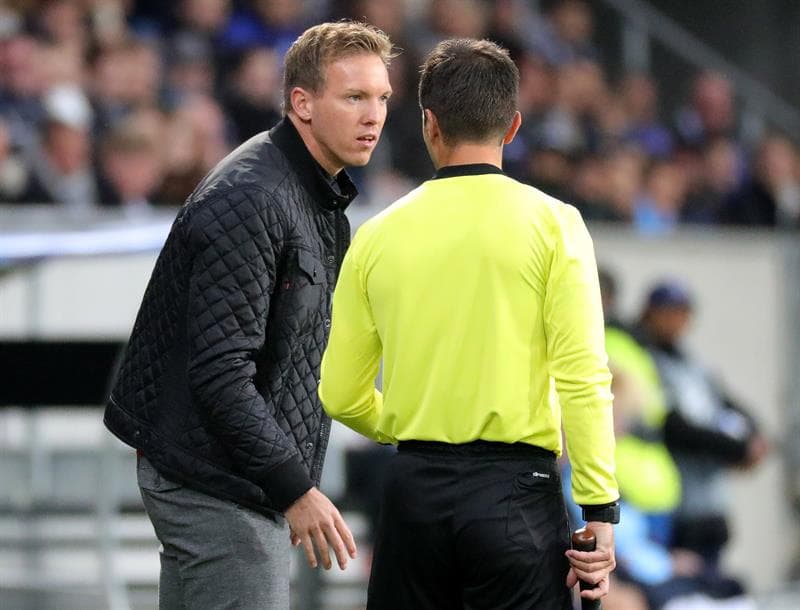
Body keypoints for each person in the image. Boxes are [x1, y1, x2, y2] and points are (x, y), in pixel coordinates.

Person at [319, 38, 619, 610]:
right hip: (517, 496)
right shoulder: (555, 224)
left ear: (429, 124)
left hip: (413, 495)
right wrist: (599, 508)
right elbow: (584, 376)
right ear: (513, 127)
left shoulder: (378, 234)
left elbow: (339, 393)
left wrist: (411, 423)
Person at [103, 21, 394, 609]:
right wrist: (295, 490)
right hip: (218, 483)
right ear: (302, 104)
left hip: (233, 480)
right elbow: (219, 372)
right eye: (354, 97)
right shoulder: (254, 195)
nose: (374, 116)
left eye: (383, 98)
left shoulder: (311, 193)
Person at [636, 281, 768, 569]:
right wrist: (738, 448)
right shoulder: (646, 362)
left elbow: (729, 406)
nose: (677, 320)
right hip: (674, 504)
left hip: (711, 501)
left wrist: (755, 439)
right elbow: (678, 429)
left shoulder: (694, 363)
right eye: (668, 312)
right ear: (650, 314)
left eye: (682, 313)